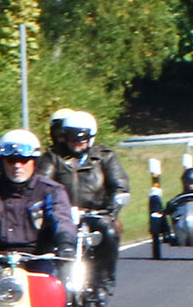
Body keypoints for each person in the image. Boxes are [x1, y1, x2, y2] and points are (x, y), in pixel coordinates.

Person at [0, 128, 77, 275]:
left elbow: (62, 220)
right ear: (1, 162)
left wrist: (66, 242)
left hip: (38, 260)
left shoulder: (52, 191)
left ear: (34, 162)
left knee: (54, 290)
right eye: (11, 160)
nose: (17, 166)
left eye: (23, 160)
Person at [36, 109, 130, 295]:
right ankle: (38, 282)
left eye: (81, 139)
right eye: (72, 139)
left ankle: (103, 281)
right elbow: (41, 183)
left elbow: (119, 185)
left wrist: (112, 208)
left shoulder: (105, 156)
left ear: (91, 138)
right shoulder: (53, 157)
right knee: (38, 238)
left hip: (95, 213)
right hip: (61, 214)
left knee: (110, 233)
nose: (77, 144)